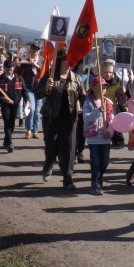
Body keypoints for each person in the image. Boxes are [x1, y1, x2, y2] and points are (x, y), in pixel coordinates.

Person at [37, 47, 86, 190]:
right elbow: (37, 94)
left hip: (70, 118)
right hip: (51, 117)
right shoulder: (50, 76)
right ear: (60, 61)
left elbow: (83, 96)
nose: (70, 62)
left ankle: (68, 178)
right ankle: (49, 163)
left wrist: (84, 100)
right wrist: (46, 87)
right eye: (67, 59)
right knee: (52, 146)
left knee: (69, 149)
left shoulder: (76, 78)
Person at [82, 76, 113, 195]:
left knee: (105, 162)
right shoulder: (88, 102)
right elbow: (86, 118)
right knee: (95, 161)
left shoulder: (109, 102)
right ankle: (95, 184)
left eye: (105, 86)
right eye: (100, 86)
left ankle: (99, 180)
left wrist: (109, 131)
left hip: (105, 137)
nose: (103, 89)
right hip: (93, 138)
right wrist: (98, 111)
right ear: (93, 88)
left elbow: (112, 119)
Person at [0, 59, 28, 153]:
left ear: (13, 68)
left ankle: (6, 140)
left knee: (12, 123)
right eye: (7, 69)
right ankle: (9, 143)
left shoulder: (19, 78)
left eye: (10, 69)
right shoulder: (1, 79)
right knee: (7, 122)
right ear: (4, 68)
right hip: (5, 104)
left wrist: (27, 101)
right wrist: (0, 100)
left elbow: (24, 91)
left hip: (15, 104)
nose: (9, 71)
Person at [18, 43, 44, 139]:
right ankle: (28, 129)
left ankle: (35, 131)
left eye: (37, 49)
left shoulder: (41, 60)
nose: (35, 51)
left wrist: (36, 65)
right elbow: (19, 72)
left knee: (37, 111)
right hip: (28, 88)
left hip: (38, 89)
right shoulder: (25, 60)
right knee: (31, 109)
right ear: (30, 50)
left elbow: (44, 71)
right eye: (34, 49)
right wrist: (18, 64)